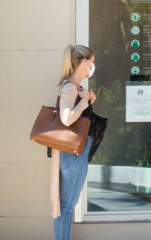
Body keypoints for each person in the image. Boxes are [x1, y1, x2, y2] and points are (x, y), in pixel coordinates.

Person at [52, 45, 97, 240]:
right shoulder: (70, 87)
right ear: (84, 62)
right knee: (66, 207)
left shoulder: (74, 88)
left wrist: (86, 101)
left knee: (65, 206)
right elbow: (67, 118)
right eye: (92, 63)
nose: (93, 67)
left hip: (73, 155)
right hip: (73, 155)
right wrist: (83, 102)